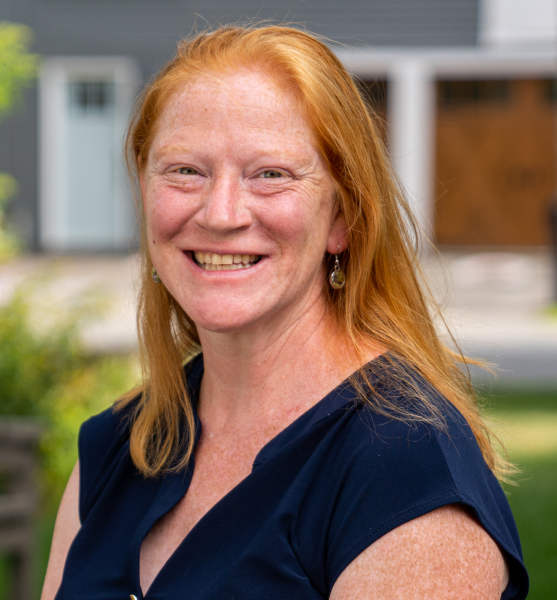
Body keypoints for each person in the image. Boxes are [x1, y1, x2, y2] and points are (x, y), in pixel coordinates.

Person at [41, 25, 528, 600]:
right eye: (185, 171)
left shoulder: (402, 472)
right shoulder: (116, 451)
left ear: (342, 219)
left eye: (271, 174)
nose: (221, 214)